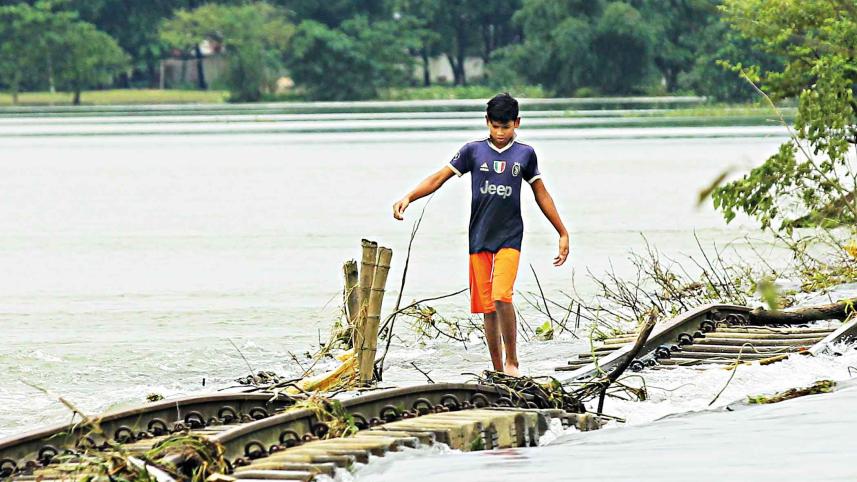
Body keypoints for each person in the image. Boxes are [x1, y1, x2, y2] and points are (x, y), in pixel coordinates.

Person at [392, 93, 570, 376]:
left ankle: (512, 362)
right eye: (495, 126)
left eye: (506, 127)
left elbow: (541, 194)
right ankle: (497, 369)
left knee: (502, 295)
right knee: (488, 307)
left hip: (510, 237)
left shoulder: (525, 154)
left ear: (517, 123)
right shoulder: (472, 151)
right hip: (479, 240)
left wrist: (562, 232)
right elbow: (439, 178)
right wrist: (409, 197)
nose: (500, 133)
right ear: (487, 122)